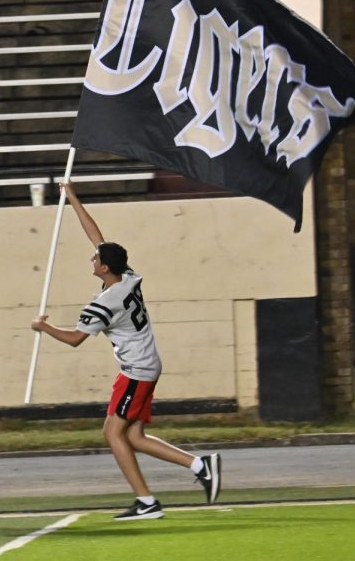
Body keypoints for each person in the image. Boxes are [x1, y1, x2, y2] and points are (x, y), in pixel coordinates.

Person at [30, 183, 221, 520]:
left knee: (112, 432)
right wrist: (72, 196)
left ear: (105, 268)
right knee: (132, 435)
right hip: (144, 366)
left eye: (96, 258)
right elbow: (96, 235)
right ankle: (197, 464)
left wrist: (43, 327)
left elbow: (75, 339)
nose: (92, 257)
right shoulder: (126, 277)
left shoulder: (106, 302)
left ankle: (147, 502)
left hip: (136, 370)